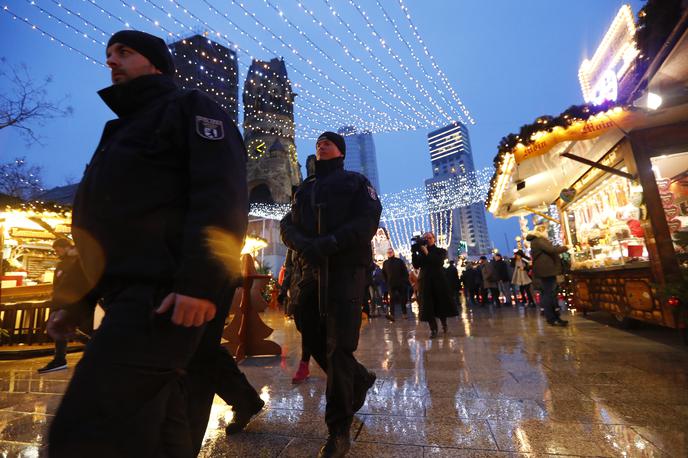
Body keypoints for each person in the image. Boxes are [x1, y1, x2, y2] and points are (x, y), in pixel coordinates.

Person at [47, 30, 261, 456]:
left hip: (162, 294)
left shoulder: (191, 109)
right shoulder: (119, 131)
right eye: (108, 54)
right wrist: (74, 299)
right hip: (126, 291)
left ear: (157, 63)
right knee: (160, 424)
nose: (111, 61)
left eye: (124, 53)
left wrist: (199, 283)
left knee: (88, 425)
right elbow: (98, 222)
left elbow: (219, 198)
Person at [280, 131, 382, 458]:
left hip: (345, 270)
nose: (321, 145)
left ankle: (338, 427)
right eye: (318, 143)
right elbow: (287, 224)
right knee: (309, 331)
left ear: (340, 150)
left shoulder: (356, 182)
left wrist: (332, 242)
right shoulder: (305, 188)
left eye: (328, 142)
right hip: (311, 270)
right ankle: (360, 377)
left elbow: (367, 221)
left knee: (339, 346)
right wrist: (304, 244)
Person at [38, 239, 93, 374]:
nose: (57, 253)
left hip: (71, 302)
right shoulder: (67, 262)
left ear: (66, 247)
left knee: (62, 327)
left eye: (58, 250)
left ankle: (60, 359)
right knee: (64, 328)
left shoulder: (76, 261)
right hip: (66, 301)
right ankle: (61, 359)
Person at [412, 232, 458, 338]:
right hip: (425, 282)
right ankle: (433, 329)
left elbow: (438, 262)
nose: (428, 240)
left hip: (438, 281)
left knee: (440, 304)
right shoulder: (421, 252)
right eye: (425, 238)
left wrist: (427, 252)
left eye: (430, 238)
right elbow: (416, 265)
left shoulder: (441, 251)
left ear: (434, 239)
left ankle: (444, 324)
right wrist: (414, 252)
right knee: (428, 306)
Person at [526, 221, 569, 326]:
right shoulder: (539, 240)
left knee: (549, 294)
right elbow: (551, 250)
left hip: (545, 271)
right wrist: (566, 247)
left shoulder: (536, 241)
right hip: (546, 271)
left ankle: (554, 317)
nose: (547, 233)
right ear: (541, 231)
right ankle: (552, 317)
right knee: (549, 294)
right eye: (546, 231)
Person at [382, 248, 410, 319]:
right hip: (391, 284)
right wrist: (386, 281)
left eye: (390, 252)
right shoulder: (385, 263)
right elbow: (383, 273)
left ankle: (404, 313)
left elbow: (405, 271)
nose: (389, 253)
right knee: (392, 299)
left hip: (400, 283)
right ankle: (392, 314)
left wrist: (404, 281)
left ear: (393, 253)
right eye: (388, 252)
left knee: (402, 299)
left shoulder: (399, 261)